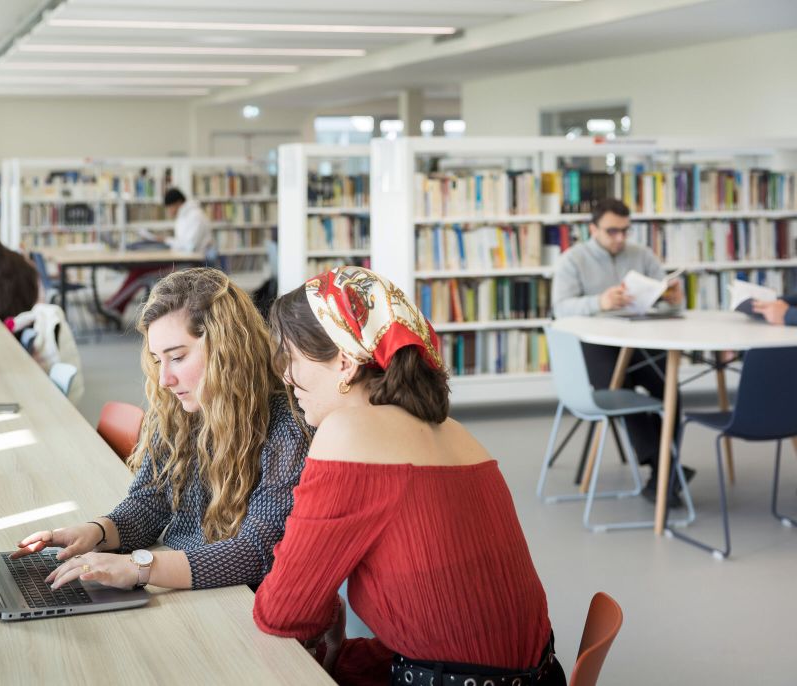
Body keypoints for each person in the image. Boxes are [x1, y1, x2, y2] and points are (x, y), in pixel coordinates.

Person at [254, 266, 564, 686]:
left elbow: (282, 612)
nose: (286, 378)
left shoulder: (349, 431)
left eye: (289, 359)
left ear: (345, 362)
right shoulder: (452, 431)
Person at [12, 268, 309, 593]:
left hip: (239, 600)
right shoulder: (182, 409)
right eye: (157, 360)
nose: (165, 379)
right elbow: (150, 502)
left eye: (178, 357)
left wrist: (140, 567)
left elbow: (254, 552)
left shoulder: (287, 425)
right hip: (185, 582)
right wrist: (96, 531)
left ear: (228, 351)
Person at [551, 198, 689, 504]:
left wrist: (674, 298)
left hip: (641, 341)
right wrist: (599, 303)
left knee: (669, 387)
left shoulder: (643, 256)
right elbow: (559, 308)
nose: (620, 238)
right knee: (619, 390)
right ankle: (663, 468)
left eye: (625, 231)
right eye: (612, 231)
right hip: (594, 345)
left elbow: (666, 298)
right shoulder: (572, 260)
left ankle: (664, 471)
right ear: (593, 229)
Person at [105, 187, 215, 316]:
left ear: (178, 203)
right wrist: (166, 241)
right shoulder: (185, 215)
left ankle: (113, 306)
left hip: (188, 264)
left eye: (169, 207)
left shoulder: (195, 216)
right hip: (180, 259)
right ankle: (114, 305)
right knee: (138, 269)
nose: (169, 211)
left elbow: (189, 246)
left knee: (141, 272)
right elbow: (183, 242)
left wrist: (166, 240)